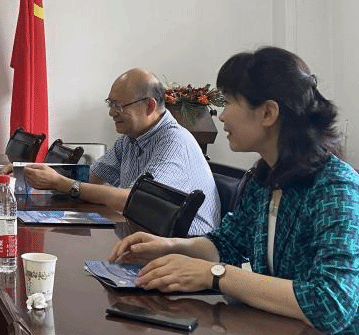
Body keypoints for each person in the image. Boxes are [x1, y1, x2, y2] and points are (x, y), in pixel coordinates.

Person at [109, 47, 359, 335]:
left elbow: (330, 304)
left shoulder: (336, 189)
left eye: (229, 102)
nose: (222, 115)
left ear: (267, 113)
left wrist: (215, 275)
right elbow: (226, 243)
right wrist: (168, 246)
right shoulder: (264, 179)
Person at [22, 68, 220, 235]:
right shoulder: (129, 139)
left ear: (149, 105)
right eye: (110, 104)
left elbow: (135, 200)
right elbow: (91, 177)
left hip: (187, 251)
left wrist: (63, 183)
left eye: (118, 105)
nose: (111, 112)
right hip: (144, 237)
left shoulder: (174, 142)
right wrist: (27, 171)